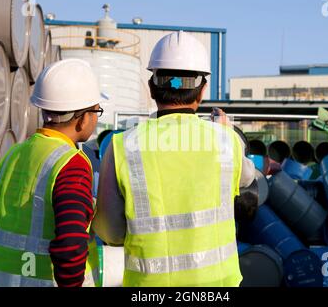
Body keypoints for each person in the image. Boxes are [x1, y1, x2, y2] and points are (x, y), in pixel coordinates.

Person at [93, 31, 256, 287]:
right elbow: (247, 178)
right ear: (202, 91)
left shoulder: (121, 146)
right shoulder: (226, 141)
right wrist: (227, 129)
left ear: (151, 88)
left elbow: (110, 232)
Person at [0, 59, 108, 287]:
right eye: (97, 111)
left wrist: (1, 258)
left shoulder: (16, 153)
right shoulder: (71, 164)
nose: (95, 118)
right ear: (83, 118)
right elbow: (70, 245)